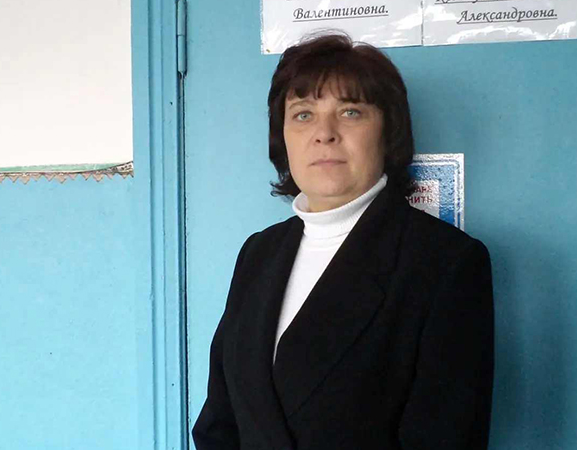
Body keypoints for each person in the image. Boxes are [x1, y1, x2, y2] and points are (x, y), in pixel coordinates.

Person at [192, 33, 494, 450]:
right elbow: (219, 423)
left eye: (350, 112)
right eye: (303, 114)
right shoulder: (258, 253)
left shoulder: (445, 262)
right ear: (283, 137)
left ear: (388, 132)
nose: (324, 133)